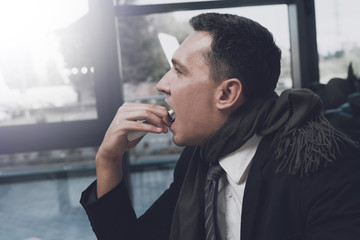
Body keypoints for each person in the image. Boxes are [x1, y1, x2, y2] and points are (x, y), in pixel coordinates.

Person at [80, 13, 360, 240]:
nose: (162, 84)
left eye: (178, 70)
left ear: (226, 94)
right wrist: (108, 160)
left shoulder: (324, 167)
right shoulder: (200, 158)